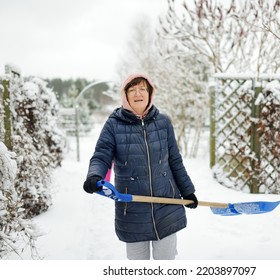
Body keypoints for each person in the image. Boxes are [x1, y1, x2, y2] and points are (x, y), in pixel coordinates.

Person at [83, 73, 198, 260]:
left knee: (166, 261)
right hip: (132, 207)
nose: (138, 93)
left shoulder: (163, 122)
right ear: (125, 95)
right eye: (132, 89)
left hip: (166, 204)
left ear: (150, 93)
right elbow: (101, 155)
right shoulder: (113, 124)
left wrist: (188, 191)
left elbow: (174, 160)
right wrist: (94, 176)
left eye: (142, 88)